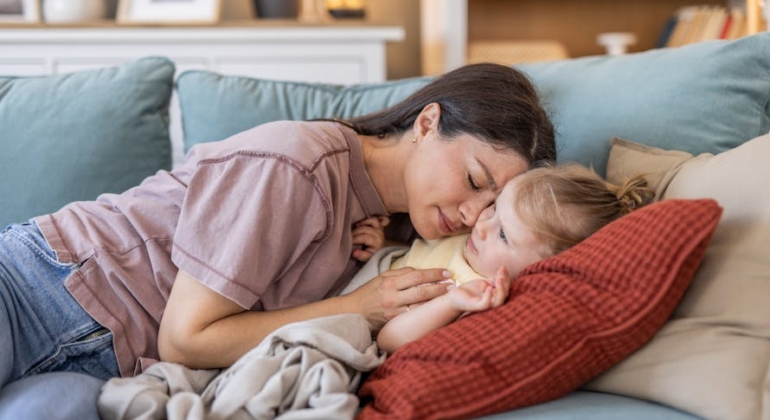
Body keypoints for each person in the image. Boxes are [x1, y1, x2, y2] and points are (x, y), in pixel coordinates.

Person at [0, 61, 556, 393]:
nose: (471, 212)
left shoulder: (384, 224)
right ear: (428, 122)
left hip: (99, 360)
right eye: (474, 177)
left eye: (492, 203)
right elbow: (185, 339)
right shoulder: (297, 165)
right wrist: (359, 309)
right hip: (42, 291)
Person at [354, 164, 655, 353]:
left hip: (354, 324)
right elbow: (419, 255)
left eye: (503, 235)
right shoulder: (472, 244)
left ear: (537, 270)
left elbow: (390, 340)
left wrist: (450, 303)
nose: (481, 223)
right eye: (495, 207)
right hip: (352, 280)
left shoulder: (473, 290)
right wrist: (384, 246)